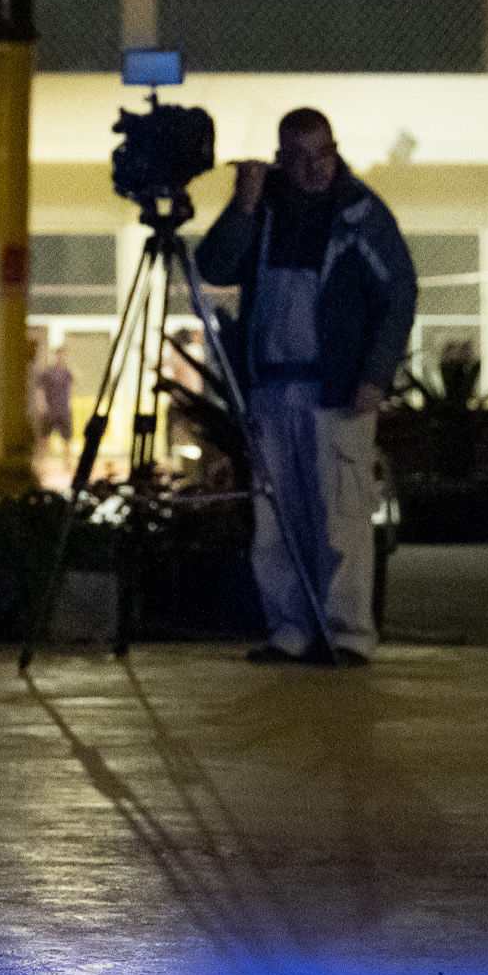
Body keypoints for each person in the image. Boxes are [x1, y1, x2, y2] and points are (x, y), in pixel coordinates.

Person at [197, 106, 416, 668]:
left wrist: (374, 377)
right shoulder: (262, 210)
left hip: (338, 392)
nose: (314, 167)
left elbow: (398, 296)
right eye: (298, 157)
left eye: (322, 153)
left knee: (341, 517)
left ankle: (347, 633)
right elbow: (215, 265)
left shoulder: (362, 215)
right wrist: (243, 202)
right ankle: (290, 629)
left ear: (335, 150)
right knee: (277, 519)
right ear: (279, 159)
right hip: (271, 392)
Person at [29, 333, 76, 471]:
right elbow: (40, 389)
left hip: (64, 410)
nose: (61, 357)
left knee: (67, 439)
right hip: (50, 410)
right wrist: (42, 404)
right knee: (45, 440)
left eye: (63, 354)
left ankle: (67, 464)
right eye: (58, 354)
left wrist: (70, 405)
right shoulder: (48, 372)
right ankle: (42, 466)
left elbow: (72, 388)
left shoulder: (67, 372)